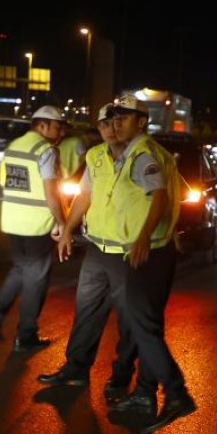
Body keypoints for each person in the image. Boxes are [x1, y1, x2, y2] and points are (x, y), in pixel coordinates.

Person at [37, 103, 141, 403]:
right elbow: (85, 196)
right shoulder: (95, 157)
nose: (111, 128)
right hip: (97, 248)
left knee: (127, 318)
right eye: (104, 124)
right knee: (86, 311)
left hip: (126, 252)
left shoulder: (143, 156)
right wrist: (68, 230)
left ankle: (121, 379)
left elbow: (157, 200)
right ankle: (75, 369)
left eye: (117, 122)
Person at [105, 93, 197, 434]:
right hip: (158, 250)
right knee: (149, 328)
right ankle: (144, 394)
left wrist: (142, 237)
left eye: (124, 118)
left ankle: (176, 394)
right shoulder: (149, 151)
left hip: (147, 252)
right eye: (114, 118)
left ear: (141, 122)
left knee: (142, 327)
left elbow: (158, 195)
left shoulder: (143, 154)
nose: (117, 123)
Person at [0, 105, 68, 352]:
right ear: (43, 125)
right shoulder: (46, 150)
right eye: (57, 126)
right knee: (35, 281)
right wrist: (62, 222)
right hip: (36, 224)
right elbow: (51, 191)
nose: (60, 131)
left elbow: (6, 181)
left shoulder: (14, 147)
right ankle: (26, 336)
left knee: (20, 270)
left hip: (13, 221)